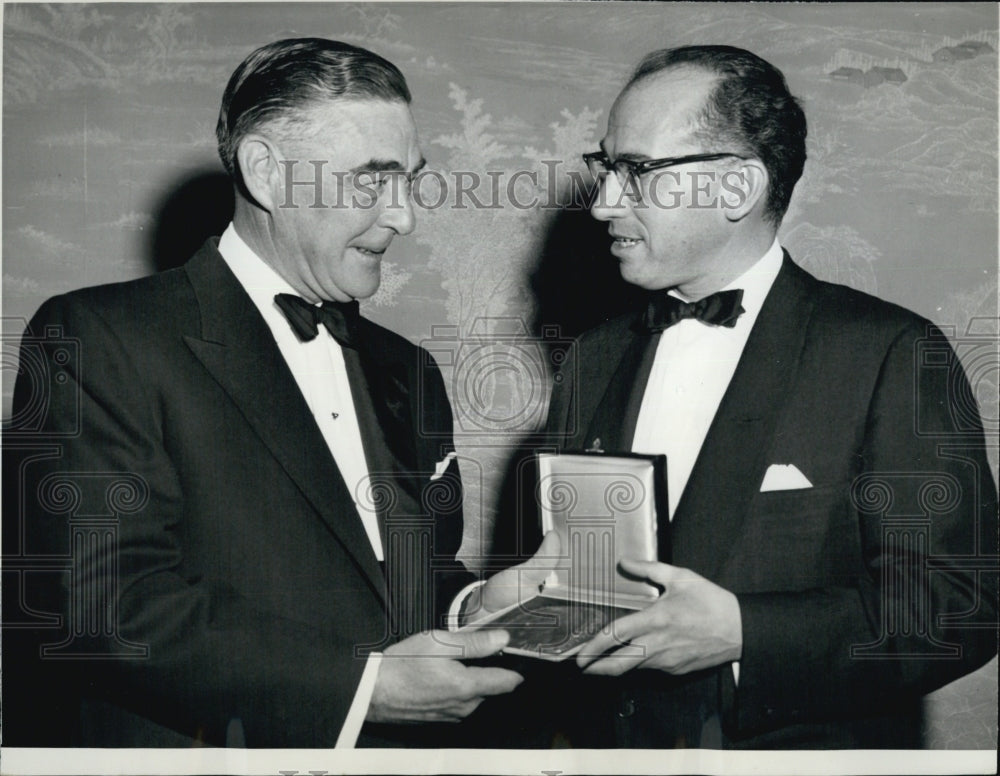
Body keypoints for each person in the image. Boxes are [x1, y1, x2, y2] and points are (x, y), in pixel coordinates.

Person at [3, 37, 552, 748]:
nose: (406, 217)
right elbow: (101, 606)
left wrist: (476, 606)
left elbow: (401, 581)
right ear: (266, 171)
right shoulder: (98, 337)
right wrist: (362, 690)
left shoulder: (406, 368)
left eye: (410, 181)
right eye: (370, 181)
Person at [496, 44, 998, 749]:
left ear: (736, 188)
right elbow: (569, 583)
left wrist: (742, 633)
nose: (606, 201)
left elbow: (960, 608)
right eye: (605, 167)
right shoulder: (593, 356)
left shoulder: (887, 352)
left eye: (636, 170)